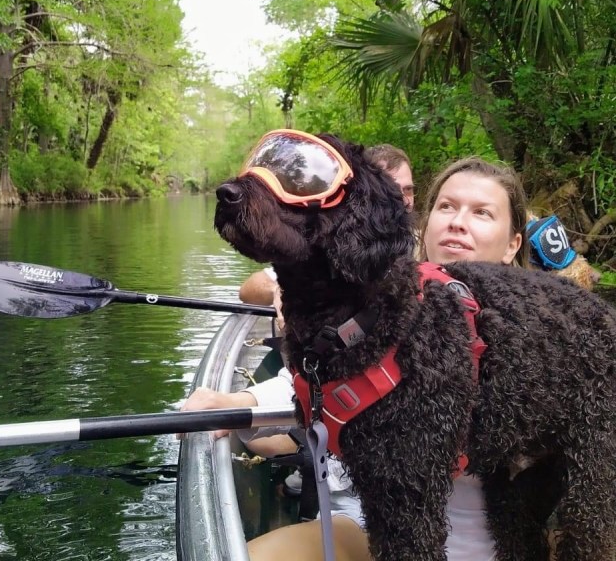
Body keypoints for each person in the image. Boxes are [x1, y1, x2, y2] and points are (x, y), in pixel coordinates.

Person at [183, 156, 527, 561]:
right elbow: (329, 378)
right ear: (423, 223)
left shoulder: (544, 332)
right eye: (446, 206)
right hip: (365, 527)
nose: (457, 221)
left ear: (512, 244)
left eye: (482, 213)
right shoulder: (378, 294)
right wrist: (239, 404)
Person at [238, 144, 415, 307]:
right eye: (391, 188)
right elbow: (248, 290)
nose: (400, 199)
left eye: (408, 190)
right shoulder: (337, 246)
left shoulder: (424, 241)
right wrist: (280, 289)